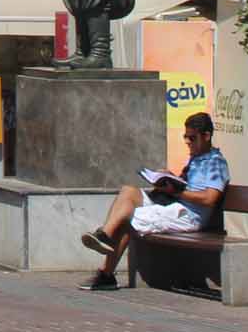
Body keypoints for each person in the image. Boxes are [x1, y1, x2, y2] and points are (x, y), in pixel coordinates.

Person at [79, 111, 229, 290]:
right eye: (185, 137)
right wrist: (168, 178)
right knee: (128, 192)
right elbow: (186, 186)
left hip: (188, 215)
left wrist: (176, 192)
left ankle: (106, 272)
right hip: (174, 204)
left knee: (127, 216)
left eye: (192, 138)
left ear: (206, 136)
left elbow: (210, 198)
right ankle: (105, 235)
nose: (188, 142)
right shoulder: (196, 159)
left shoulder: (215, 163)